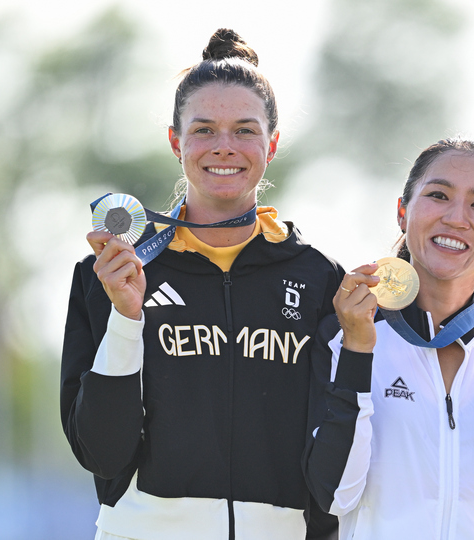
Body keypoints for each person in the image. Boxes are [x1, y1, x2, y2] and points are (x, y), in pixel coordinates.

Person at [60, 29, 340, 540]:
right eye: (204, 129)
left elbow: (335, 453)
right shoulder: (110, 270)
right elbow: (100, 452)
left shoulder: (320, 278)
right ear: (176, 141)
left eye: (245, 130)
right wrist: (126, 317)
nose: (224, 147)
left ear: (272, 144)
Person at [302, 138, 474, 539]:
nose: (457, 218)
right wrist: (358, 351)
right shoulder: (343, 336)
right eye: (438, 195)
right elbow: (334, 496)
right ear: (403, 212)